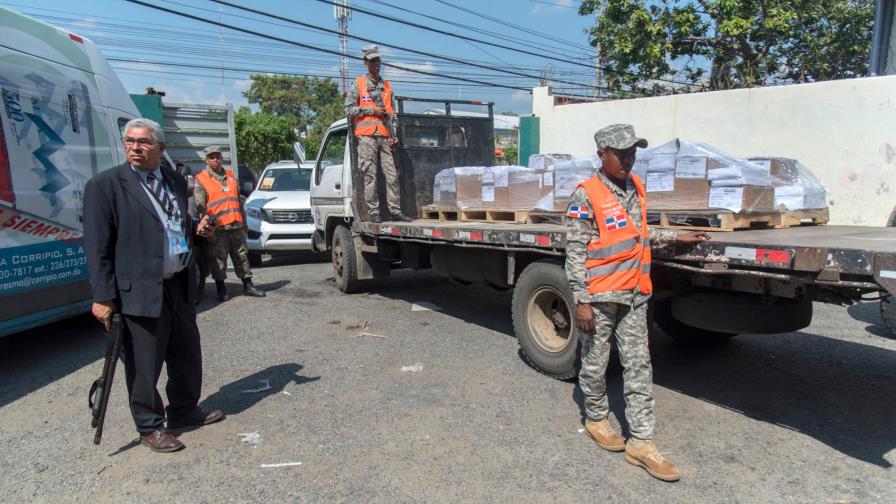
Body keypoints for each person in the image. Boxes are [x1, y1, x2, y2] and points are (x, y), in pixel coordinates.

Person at [565, 124, 710, 482]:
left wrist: (678, 237)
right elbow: (575, 251)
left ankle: (641, 442)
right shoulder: (586, 195)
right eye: (622, 153)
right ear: (602, 154)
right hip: (599, 298)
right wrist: (581, 300)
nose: (629, 159)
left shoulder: (636, 188)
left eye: (633, 153)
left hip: (635, 294)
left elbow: (640, 235)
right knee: (596, 364)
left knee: (639, 366)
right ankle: (597, 418)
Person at [83, 118, 225, 453]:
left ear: (160, 148)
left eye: (143, 142)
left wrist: (197, 229)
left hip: (177, 283)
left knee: (186, 353)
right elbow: (97, 247)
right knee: (144, 363)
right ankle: (149, 425)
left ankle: (184, 409)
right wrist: (103, 296)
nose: (135, 147)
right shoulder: (105, 186)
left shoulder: (174, 179)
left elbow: (174, 224)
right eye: (129, 141)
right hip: (140, 290)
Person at [344, 44, 411, 224]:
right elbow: (349, 110)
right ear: (365, 62)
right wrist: (370, 110)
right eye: (372, 61)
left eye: (378, 60)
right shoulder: (358, 84)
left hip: (385, 136)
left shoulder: (387, 86)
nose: (376, 64)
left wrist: (393, 134)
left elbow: (392, 114)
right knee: (370, 175)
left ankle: (395, 210)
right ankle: (374, 212)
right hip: (366, 137)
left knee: (392, 174)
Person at [193, 146, 266, 301]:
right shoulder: (202, 178)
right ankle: (221, 289)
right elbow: (200, 206)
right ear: (206, 160)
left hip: (236, 225)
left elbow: (238, 202)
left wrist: (244, 222)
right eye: (212, 157)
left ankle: (248, 285)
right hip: (218, 228)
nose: (216, 159)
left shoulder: (231, 176)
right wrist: (207, 228)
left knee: (242, 256)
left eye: (218, 156)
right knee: (218, 259)